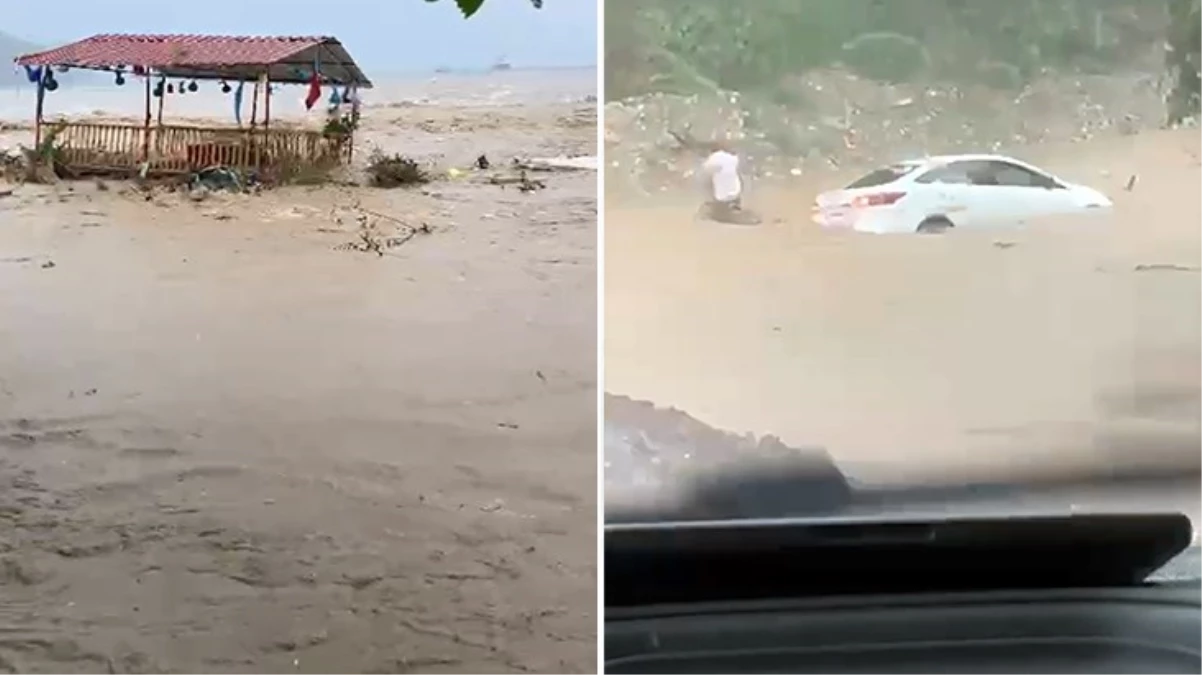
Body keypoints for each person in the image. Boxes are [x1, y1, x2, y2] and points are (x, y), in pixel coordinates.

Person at [699, 140, 747, 223]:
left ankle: (717, 209)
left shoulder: (714, 157)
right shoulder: (733, 158)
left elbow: (705, 169)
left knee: (708, 180)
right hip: (736, 192)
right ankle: (735, 206)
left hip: (721, 197)